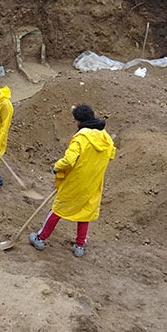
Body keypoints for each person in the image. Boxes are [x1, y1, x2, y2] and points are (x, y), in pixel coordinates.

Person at [29, 104, 116, 257]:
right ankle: (79, 246)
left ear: (79, 121)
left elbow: (69, 160)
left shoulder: (80, 139)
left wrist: (57, 167)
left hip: (75, 182)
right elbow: (111, 154)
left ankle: (40, 238)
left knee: (58, 209)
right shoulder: (106, 138)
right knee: (85, 212)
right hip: (93, 183)